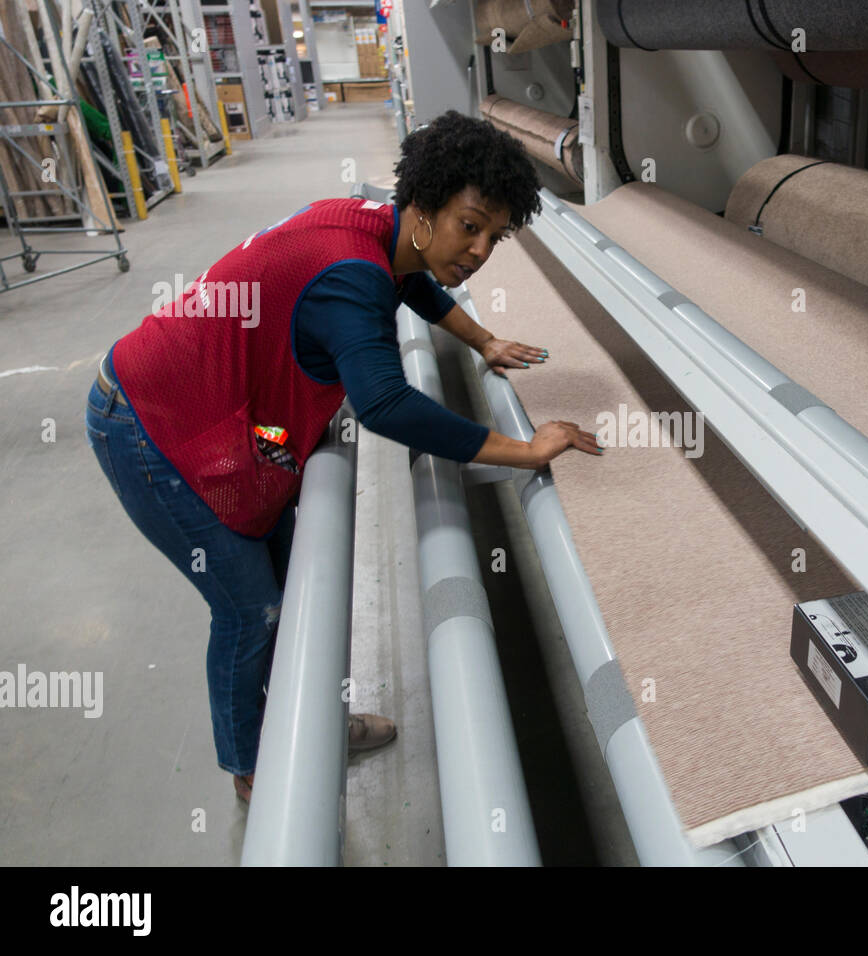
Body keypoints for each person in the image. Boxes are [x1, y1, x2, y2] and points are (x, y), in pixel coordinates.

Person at [85, 110, 602, 803]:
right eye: (469, 226)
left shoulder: (378, 227)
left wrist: (482, 341)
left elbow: (411, 280)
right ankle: (255, 773)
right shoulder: (349, 274)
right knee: (252, 609)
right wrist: (522, 450)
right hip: (149, 424)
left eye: (494, 236)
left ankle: (312, 721)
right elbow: (386, 402)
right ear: (423, 205)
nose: (479, 251)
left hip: (203, 408)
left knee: (293, 576)